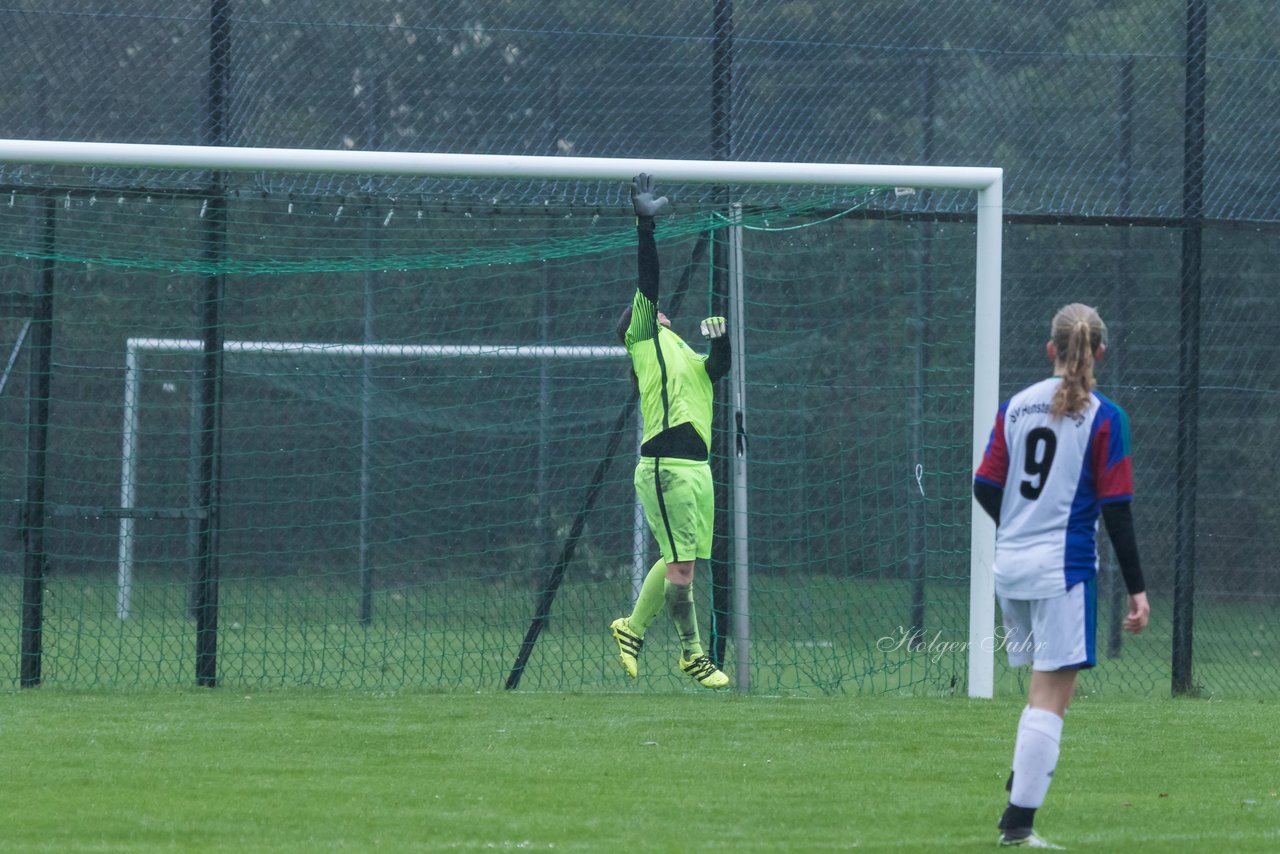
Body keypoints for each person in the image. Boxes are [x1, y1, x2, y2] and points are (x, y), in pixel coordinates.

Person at [973, 303, 1150, 849]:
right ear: (1098, 352)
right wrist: (1138, 590)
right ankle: (1017, 823)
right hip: (1062, 567)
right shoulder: (1104, 416)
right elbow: (1116, 510)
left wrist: (1018, 527)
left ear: (1051, 349)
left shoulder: (1015, 407)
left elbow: (985, 485)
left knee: (1044, 689)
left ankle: (1022, 778)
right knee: (1053, 695)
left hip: (1012, 564)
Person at [609, 173, 731, 690]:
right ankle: (691, 653)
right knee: (682, 571)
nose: (661, 310)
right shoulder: (644, 340)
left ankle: (632, 628)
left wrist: (722, 340)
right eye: (652, 311)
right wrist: (646, 226)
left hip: (697, 472)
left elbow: (716, 371)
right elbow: (649, 283)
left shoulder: (682, 353)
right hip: (666, 468)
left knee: (680, 562)